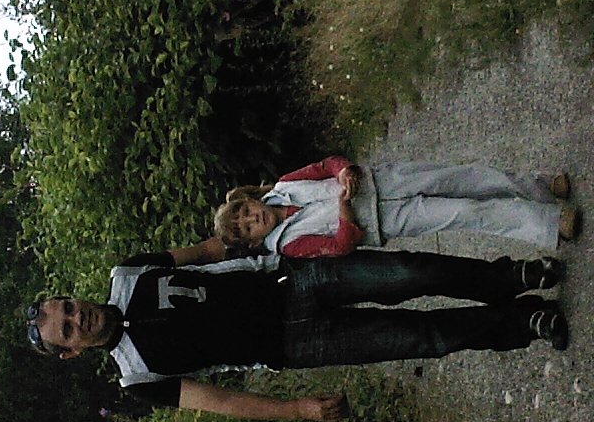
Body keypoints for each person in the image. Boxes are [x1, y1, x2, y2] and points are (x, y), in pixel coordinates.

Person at [27, 247, 568, 422]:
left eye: (68, 307)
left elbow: (210, 250)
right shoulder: (137, 379)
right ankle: (525, 323)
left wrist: (277, 213)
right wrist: (297, 409)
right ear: (70, 352)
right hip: (295, 345)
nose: (78, 317)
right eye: (68, 329)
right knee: (421, 338)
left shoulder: (129, 272)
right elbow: (222, 400)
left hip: (291, 280)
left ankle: (510, 277)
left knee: (409, 272)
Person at [214, 156, 580, 258]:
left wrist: (344, 172)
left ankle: (540, 186)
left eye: (245, 212)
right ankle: (547, 223)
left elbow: (325, 166)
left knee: (464, 177)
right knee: (466, 213)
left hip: (384, 182)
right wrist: (345, 211)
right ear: (254, 241)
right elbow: (339, 247)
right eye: (248, 227)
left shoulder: (283, 186)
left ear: (248, 200)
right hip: (386, 219)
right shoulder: (288, 244)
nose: (253, 218)